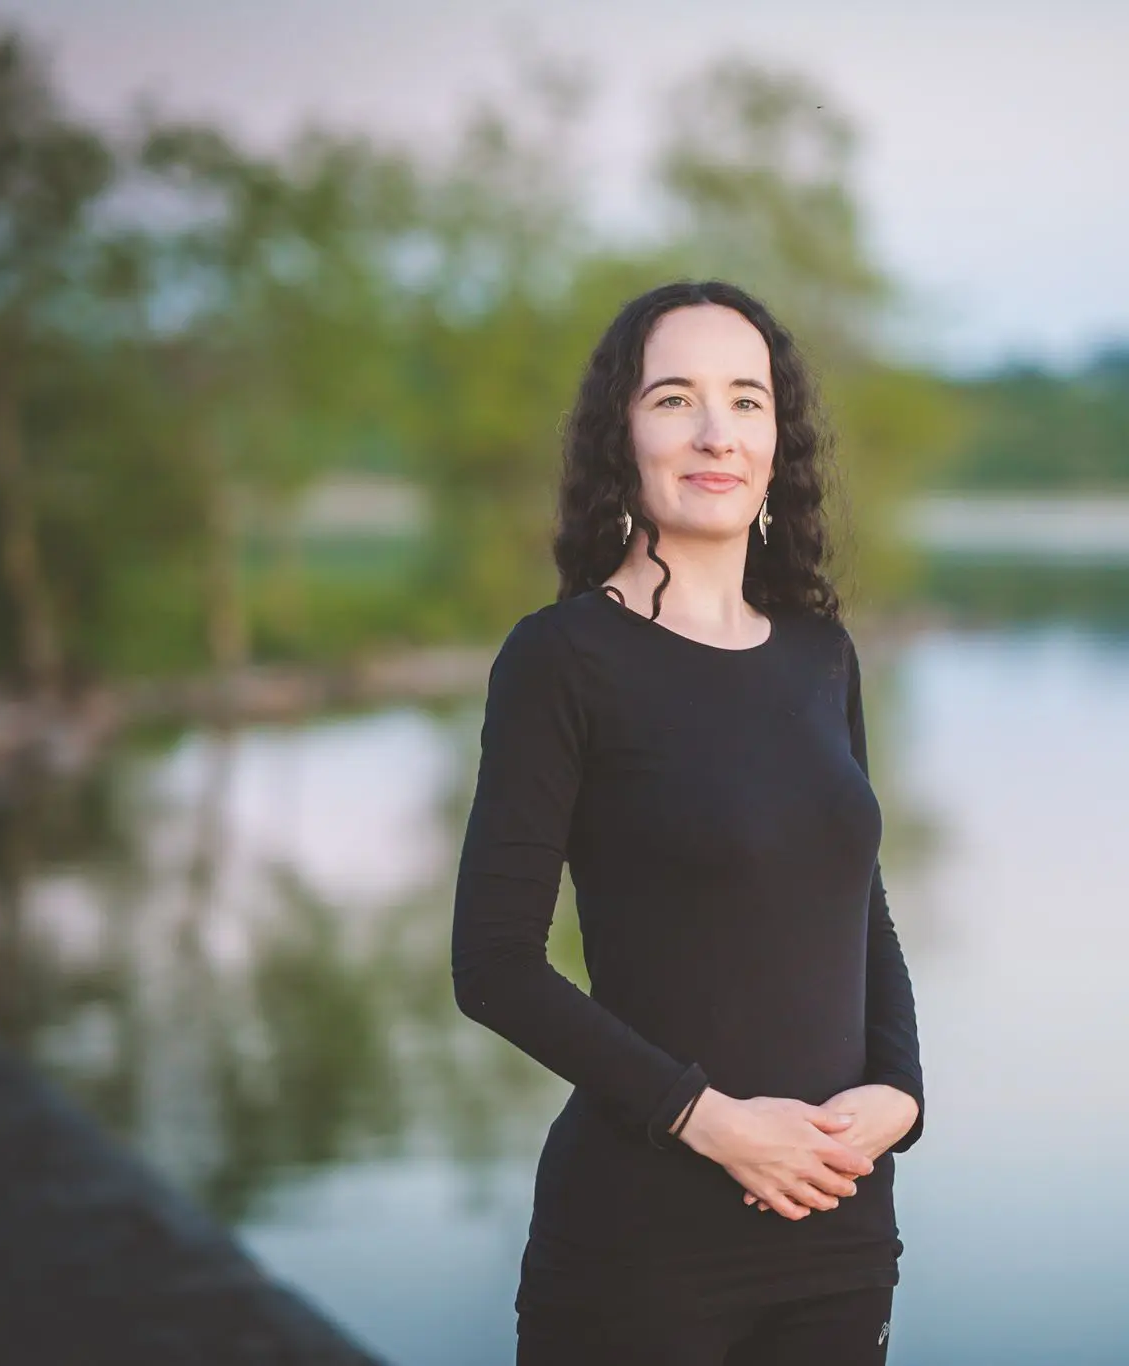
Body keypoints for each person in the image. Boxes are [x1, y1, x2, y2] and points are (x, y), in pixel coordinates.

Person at [450, 280, 925, 1365]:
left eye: (746, 401)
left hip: (838, 1232)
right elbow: (493, 965)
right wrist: (716, 1123)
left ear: (777, 442)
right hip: (642, 1247)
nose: (716, 432)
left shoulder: (819, 653)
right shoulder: (562, 659)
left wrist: (899, 1093)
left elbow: (862, 907)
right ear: (623, 435)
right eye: (674, 399)